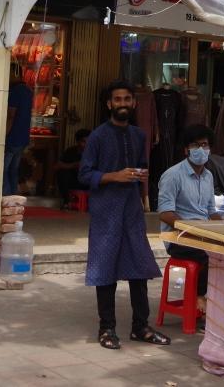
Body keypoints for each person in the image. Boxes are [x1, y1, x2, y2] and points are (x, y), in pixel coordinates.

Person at [79, 81, 170, 350]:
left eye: (127, 99)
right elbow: (84, 174)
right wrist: (113, 176)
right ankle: (106, 328)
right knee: (105, 268)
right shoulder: (97, 136)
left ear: (134, 103)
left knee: (139, 267)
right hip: (106, 211)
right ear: (109, 104)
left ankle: (140, 327)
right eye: (117, 99)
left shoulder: (139, 135)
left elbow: (140, 165)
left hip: (131, 210)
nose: (122, 104)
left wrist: (140, 177)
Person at [158, 123, 222, 316]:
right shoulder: (173, 175)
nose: (201, 149)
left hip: (202, 235)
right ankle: (199, 296)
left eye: (205, 145)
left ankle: (219, 304)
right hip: (178, 238)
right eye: (195, 145)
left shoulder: (208, 176)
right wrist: (191, 229)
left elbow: (211, 211)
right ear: (186, 150)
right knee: (209, 255)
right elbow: (165, 213)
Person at [2, 62, 32, 196]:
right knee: (13, 169)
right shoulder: (28, 91)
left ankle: (6, 196)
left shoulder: (15, 91)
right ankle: (13, 196)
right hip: (22, 137)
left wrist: (4, 135)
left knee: (3, 170)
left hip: (12, 137)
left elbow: (10, 116)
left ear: (15, 73)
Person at [55, 128, 91, 198]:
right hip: (74, 180)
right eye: (83, 141)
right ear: (78, 142)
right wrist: (74, 165)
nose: (87, 144)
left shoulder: (94, 152)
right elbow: (56, 166)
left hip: (88, 180)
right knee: (62, 173)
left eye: (89, 141)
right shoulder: (71, 151)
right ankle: (67, 200)